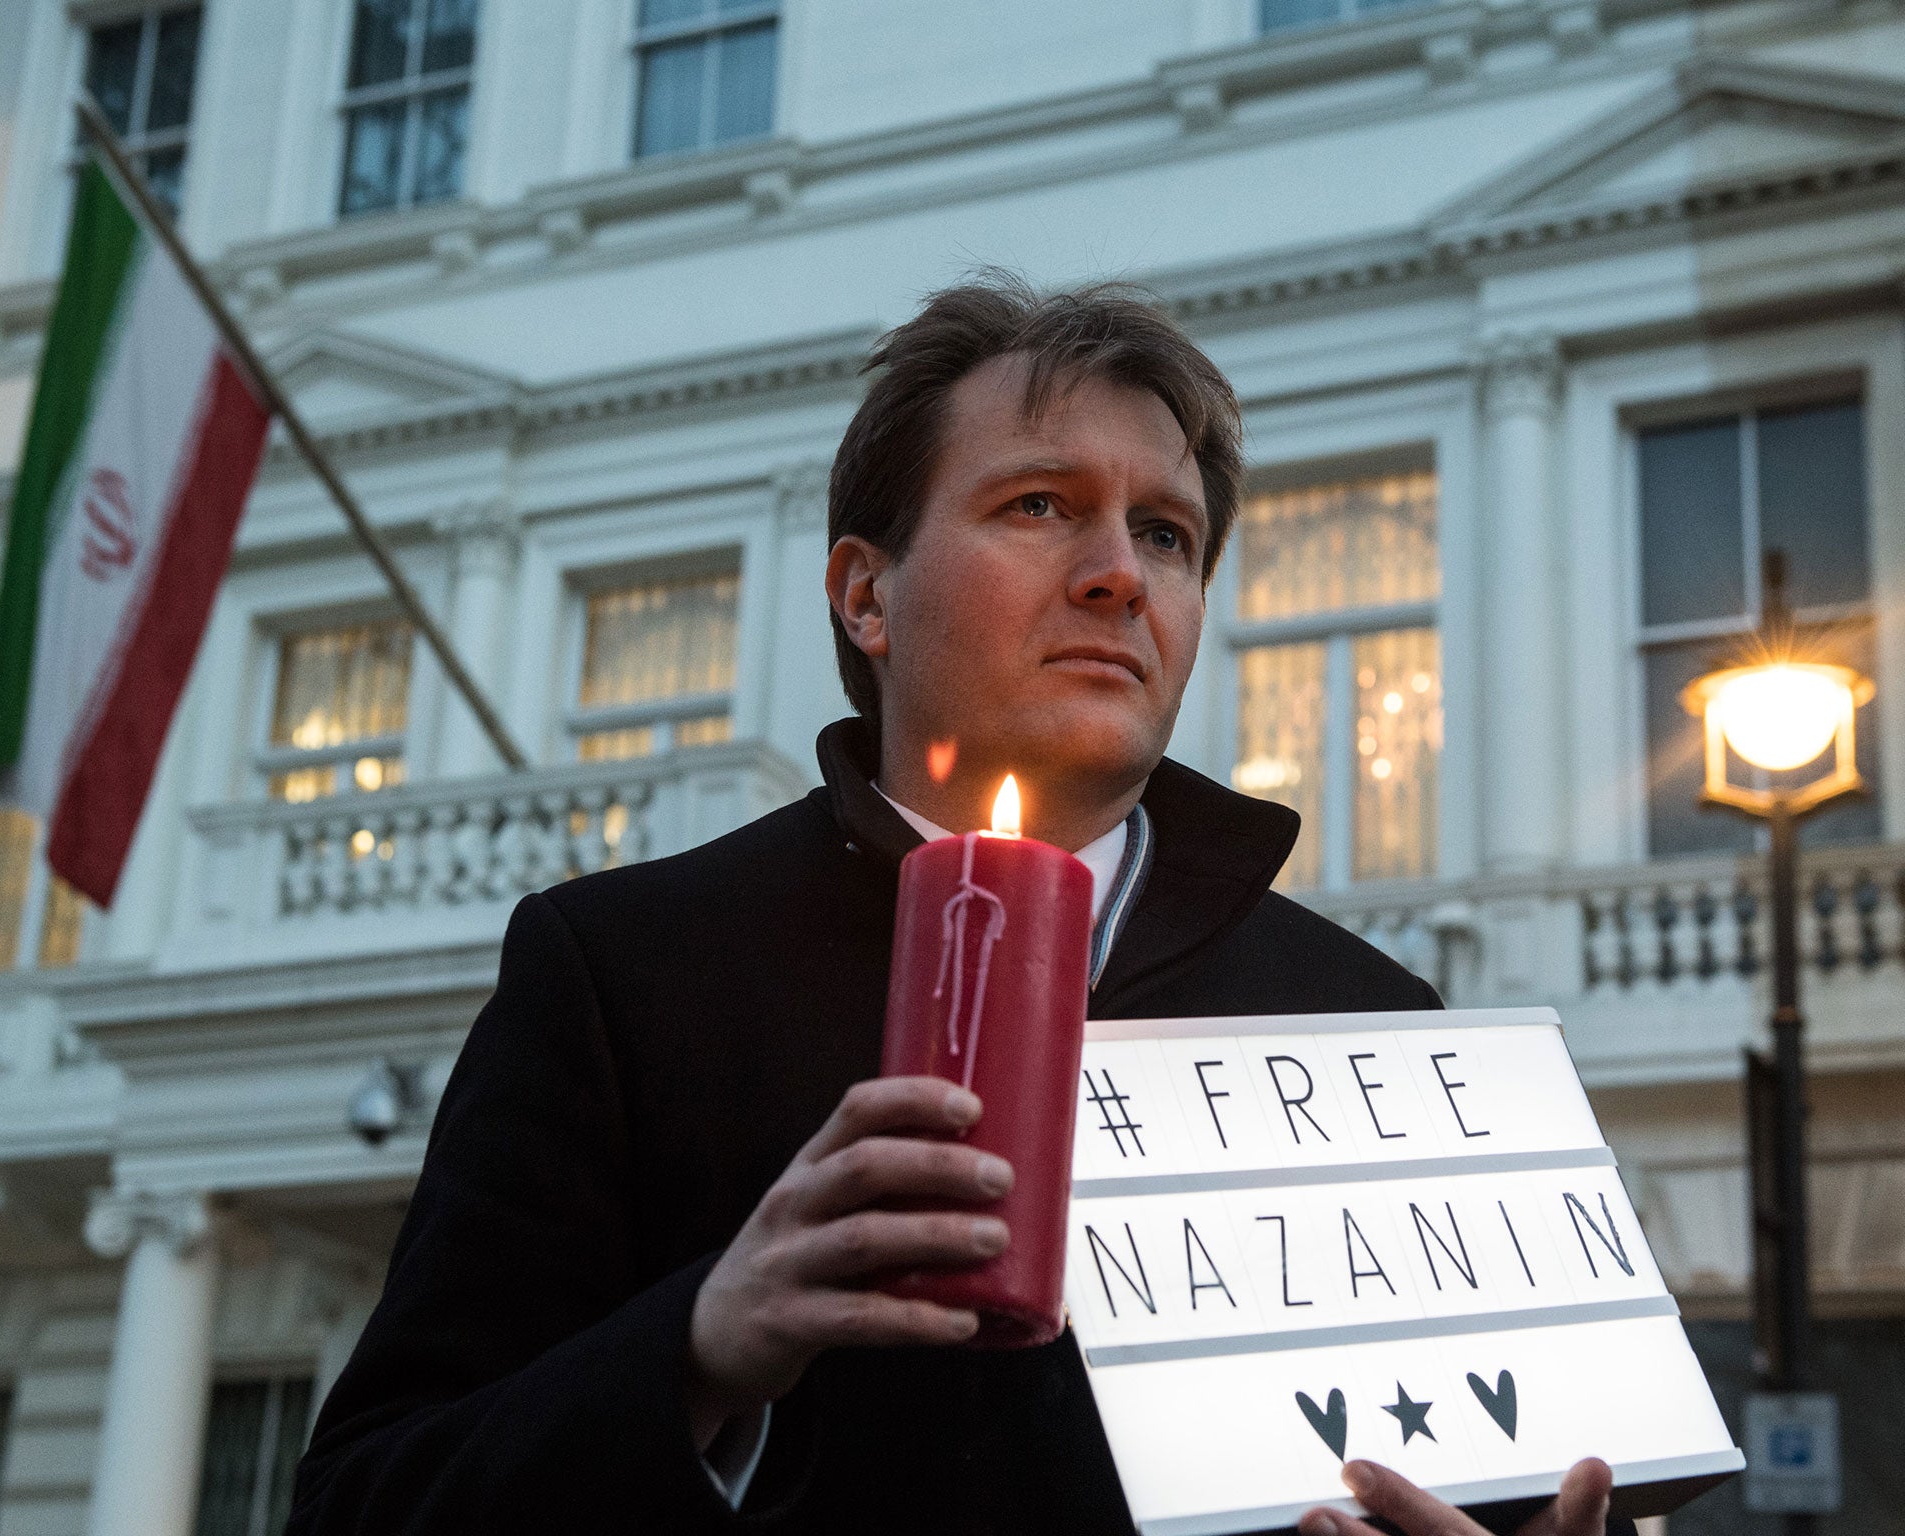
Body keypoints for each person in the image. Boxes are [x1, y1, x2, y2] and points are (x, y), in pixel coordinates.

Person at [286, 276, 1621, 1535]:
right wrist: (701, 1348)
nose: (1119, 574)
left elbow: (1509, 1478)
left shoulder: (1374, 1027)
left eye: (1166, 533)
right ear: (865, 593)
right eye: (1041, 505)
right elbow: (366, 1498)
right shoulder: (623, 971)